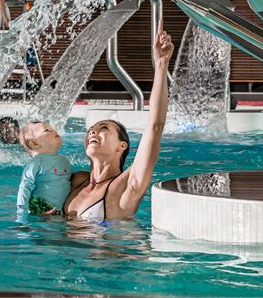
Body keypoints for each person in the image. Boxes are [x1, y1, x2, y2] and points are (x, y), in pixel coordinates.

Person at [63, 19, 173, 222]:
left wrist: (161, 64)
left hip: (108, 254)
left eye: (103, 128)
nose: (93, 132)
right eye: (91, 131)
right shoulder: (76, 181)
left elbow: (155, 126)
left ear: (122, 145)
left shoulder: (126, 186)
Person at [16, 121, 72, 215]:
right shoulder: (36, 162)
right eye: (47, 130)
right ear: (34, 143)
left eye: (52, 129)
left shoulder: (65, 160)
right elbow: (25, 186)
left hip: (61, 209)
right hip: (40, 207)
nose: (54, 131)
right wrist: (22, 212)